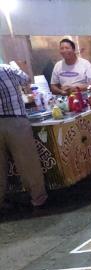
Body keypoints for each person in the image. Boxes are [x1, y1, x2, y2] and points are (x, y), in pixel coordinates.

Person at [0, 60, 48, 213]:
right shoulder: (7, 69)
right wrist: (16, 65)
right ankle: (38, 200)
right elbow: (26, 79)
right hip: (15, 122)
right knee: (28, 164)